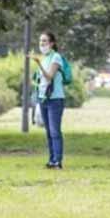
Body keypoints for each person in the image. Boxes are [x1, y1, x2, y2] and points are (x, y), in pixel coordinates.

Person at [31, 31, 67, 169]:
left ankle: (58, 160)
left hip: (55, 99)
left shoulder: (56, 57)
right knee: (48, 132)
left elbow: (49, 76)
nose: (42, 44)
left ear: (52, 43)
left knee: (54, 131)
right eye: (40, 41)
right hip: (43, 99)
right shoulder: (45, 58)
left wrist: (39, 64)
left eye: (45, 41)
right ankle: (52, 160)